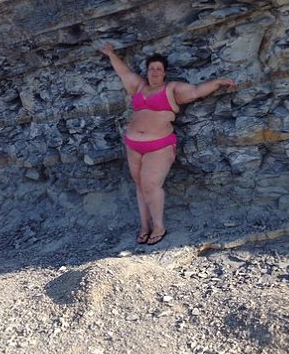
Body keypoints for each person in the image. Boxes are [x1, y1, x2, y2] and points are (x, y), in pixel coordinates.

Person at [100, 43, 235, 245]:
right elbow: (124, 72)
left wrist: (218, 82)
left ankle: (159, 227)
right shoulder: (139, 86)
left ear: (164, 73)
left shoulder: (171, 89)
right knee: (140, 186)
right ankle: (144, 226)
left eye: (159, 69)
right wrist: (111, 54)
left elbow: (196, 91)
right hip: (132, 145)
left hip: (159, 146)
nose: (154, 72)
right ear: (147, 72)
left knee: (150, 185)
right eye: (151, 68)